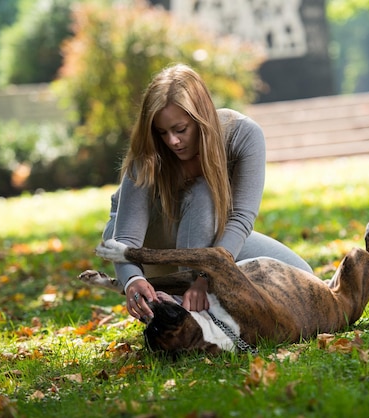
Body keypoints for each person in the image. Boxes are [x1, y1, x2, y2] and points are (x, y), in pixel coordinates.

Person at [102, 63, 312, 322]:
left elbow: (241, 219)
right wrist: (132, 279)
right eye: (162, 132)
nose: (172, 142)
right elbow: (125, 239)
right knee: (202, 191)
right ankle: (181, 308)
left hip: (206, 234)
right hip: (150, 240)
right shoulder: (150, 152)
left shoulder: (243, 135)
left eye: (180, 130)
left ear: (202, 117)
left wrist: (206, 278)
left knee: (306, 279)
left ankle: (179, 295)